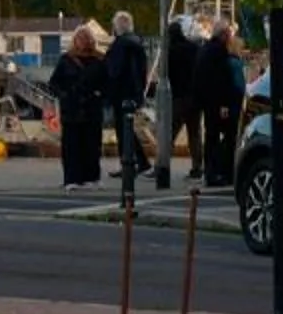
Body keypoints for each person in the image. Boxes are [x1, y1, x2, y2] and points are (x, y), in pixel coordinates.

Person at [50, 28, 107, 188]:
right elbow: (54, 83)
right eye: (79, 39)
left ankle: (92, 177)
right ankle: (71, 178)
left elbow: (107, 82)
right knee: (71, 145)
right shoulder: (66, 60)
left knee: (92, 145)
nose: (83, 42)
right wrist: (64, 95)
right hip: (71, 108)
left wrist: (100, 95)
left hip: (92, 107)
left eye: (86, 38)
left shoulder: (99, 60)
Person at [104, 12, 151, 187]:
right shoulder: (137, 43)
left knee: (124, 130)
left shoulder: (121, 45)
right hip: (133, 93)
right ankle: (136, 162)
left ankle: (132, 163)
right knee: (128, 129)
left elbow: (115, 70)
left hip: (121, 94)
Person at [160, 15, 206, 189]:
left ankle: (163, 164)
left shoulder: (170, 51)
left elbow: (168, 74)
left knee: (170, 132)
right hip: (194, 97)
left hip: (179, 96)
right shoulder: (194, 48)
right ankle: (197, 167)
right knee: (194, 133)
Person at [200, 23, 245, 187]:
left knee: (212, 137)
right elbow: (226, 82)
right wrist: (224, 104)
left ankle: (212, 171)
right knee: (228, 137)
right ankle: (223, 172)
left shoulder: (206, 49)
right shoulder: (221, 54)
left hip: (209, 101)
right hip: (223, 103)